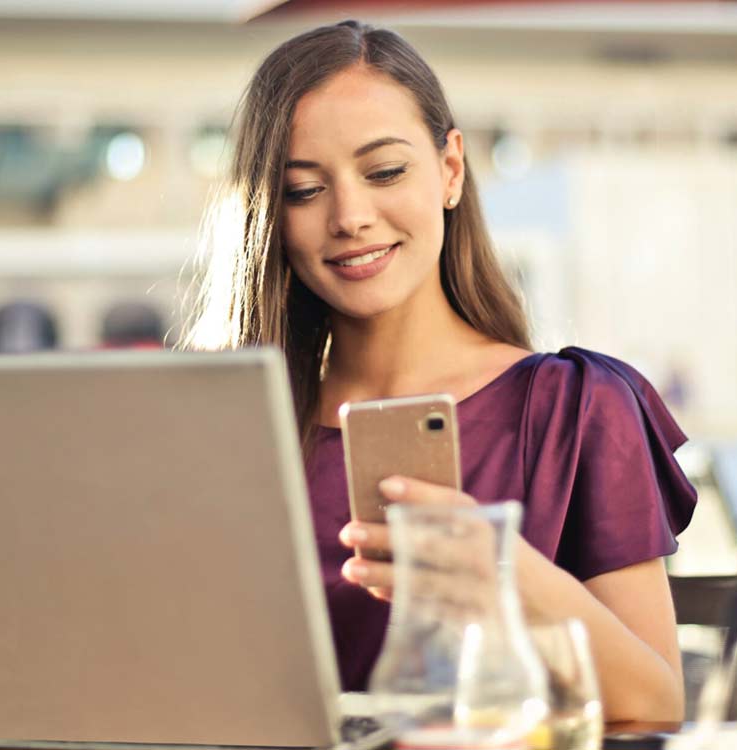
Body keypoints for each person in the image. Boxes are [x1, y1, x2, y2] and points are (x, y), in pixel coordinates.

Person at [184, 20, 695, 722]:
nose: (351, 217)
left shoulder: (575, 407)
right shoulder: (227, 430)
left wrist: (501, 575)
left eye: (385, 172)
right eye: (304, 190)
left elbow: (656, 703)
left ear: (450, 169)